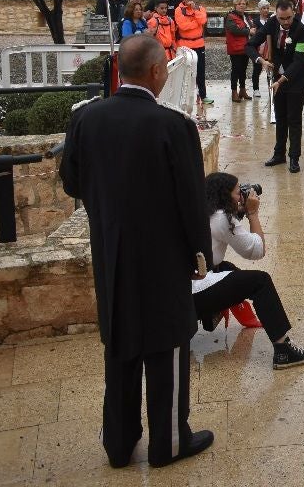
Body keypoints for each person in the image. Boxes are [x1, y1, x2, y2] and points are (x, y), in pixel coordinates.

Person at [58, 35, 214, 469]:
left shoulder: (86, 118)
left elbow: (72, 182)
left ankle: (120, 442)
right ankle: (169, 441)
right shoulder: (173, 125)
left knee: (121, 340)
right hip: (163, 257)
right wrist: (200, 255)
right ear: (156, 71)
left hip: (111, 254)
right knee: (167, 342)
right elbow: (191, 199)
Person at [195, 173, 304, 369]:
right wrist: (252, 214)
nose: (241, 196)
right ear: (225, 195)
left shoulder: (203, 212)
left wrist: (239, 211)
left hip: (180, 291)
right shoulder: (222, 219)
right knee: (260, 281)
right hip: (192, 295)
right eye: (238, 193)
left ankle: (215, 315)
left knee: (227, 268)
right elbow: (256, 250)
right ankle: (284, 351)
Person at [251, 0, 304, 172]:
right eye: (281, 18)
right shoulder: (271, 23)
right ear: (276, 15)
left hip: (296, 78)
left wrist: (282, 79)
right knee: (280, 117)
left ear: (294, 14)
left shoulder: (302, 30)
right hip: (277, 79)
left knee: (294, 119)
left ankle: (294, 157)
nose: (285, 22)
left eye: (288, 18)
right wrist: (261, 60)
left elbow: (299, 60)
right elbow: (250, 45)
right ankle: (279, 154)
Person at [174, 0, 211, 107]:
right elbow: (183, 26)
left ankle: (203, 95)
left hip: (199, 44)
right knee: (185, 72)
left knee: (200, 71)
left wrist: (195, 11)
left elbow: (203, 20)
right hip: (184, 46)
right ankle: (183, 97)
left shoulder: (200, 8)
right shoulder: (179, 10)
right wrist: (196, 23)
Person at [224, 0, 253, 102]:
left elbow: (251, 26)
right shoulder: (230, 16)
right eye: (239, 4)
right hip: (236, 48)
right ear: (235, 5)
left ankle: (242, 90)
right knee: (235, 70)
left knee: (243, 70)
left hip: (246, 47)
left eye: (244, 4)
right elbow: (234, 30)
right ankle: (234, 92)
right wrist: (248, 31)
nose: (242, 5)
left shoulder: (247, 16)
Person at [249, 0, 271, 97]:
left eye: (267, 8)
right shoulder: (254, 21)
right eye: (263, 8)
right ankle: (256, 89)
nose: (266, 10)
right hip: (258, 48)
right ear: (260, 9)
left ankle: (270, 87)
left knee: (270, 68)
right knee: (257, 69)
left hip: (269, 48)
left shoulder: (271, 20)